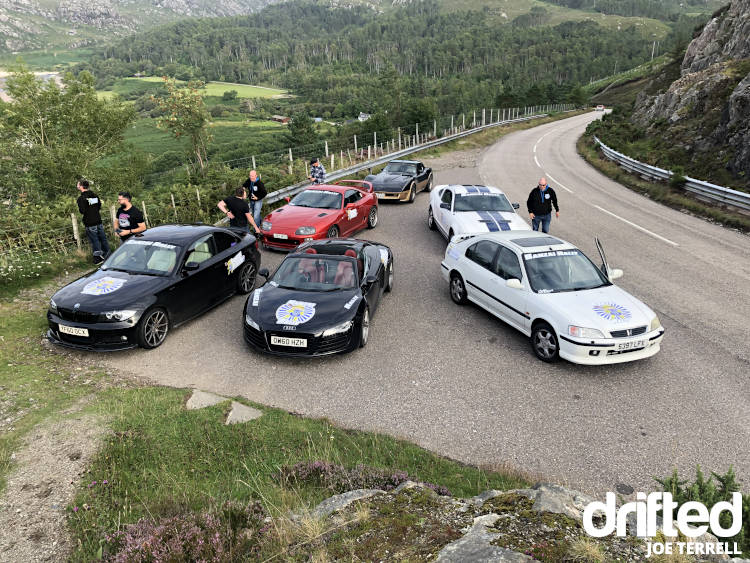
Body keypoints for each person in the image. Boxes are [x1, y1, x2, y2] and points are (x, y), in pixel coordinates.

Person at [76, 179, 110, 264]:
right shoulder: (95, 195)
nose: (77, 185)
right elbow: (99, 206)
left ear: (81, 186)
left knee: (94, 241)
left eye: (77, 184)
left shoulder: (81, 198)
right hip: (98, 220)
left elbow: (82, 211)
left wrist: (85, 209)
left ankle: (98, 258)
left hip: (90, 222)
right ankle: (108, 255)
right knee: (103, 239)